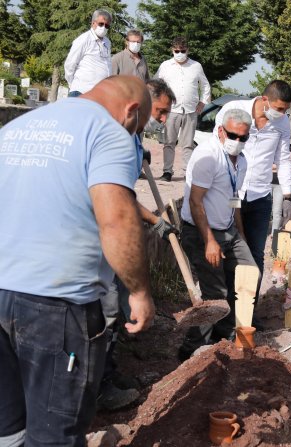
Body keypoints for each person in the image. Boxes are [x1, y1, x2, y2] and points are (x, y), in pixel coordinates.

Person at [0, 75, 154, 446]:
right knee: (55, 434)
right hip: (56, 307)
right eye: (140, 128)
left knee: (7, 426)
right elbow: (116, 220)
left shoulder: (17, 127)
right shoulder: (108, 133)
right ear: (131, 111)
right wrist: (139, 291)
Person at [97, 78, 176, 411]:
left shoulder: (131, 135)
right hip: (100, 239)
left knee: (112, 311)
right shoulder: (112, 137)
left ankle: (108, 375)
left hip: (107, 235)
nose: (161, 119)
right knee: (107, 311)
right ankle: (99, 389)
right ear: (142, 102)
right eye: (159, 111)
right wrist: (153, 219)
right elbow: (118, 199)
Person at [178, 109, 258, 361]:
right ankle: (192, 348)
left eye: (244, 137)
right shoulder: (208, 155)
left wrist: (240, 235)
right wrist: (210, 241)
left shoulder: (241, 161)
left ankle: (225, 333)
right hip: (202, 232)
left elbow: (234, 200)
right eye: (234, 135)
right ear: (222, 130)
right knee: (215, 292)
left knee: (249, 274)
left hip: (228, 230)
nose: (238, 141)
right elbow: (195, 201)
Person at [212, 80, 291, 283]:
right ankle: (229, 305)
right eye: (279, 108)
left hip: (260, 196)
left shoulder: (282, 123)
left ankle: (250, 309)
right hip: (232, 194)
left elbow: (283, 159)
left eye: (285, 110)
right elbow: (217, 146)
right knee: (229, 247)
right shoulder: (234, 109)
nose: (282, 113)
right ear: (265, 99)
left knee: (256, 253)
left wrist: (287, 195)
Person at [155, 36, 211, 182]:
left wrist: (203, 102)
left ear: (188, 50)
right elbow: (156, 84)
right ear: (172, 50)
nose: (179, 53)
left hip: (190, 110)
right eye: (176, 50)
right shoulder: (165, 66)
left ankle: (188, 172)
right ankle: (167, 172)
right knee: (169, 142)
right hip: (171, 110)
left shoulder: (196, 66)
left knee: (188, 144)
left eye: (182, 50)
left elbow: (205, 85)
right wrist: (160, 104)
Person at [64, 9, 113, 97]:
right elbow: (70, 64)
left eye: (107, 26)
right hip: (82, 91)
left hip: (101, 94)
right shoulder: (84, 39)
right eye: (101, 24)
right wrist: (73, 84)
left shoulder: (107, 42)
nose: (104, 27)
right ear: (93, 23)